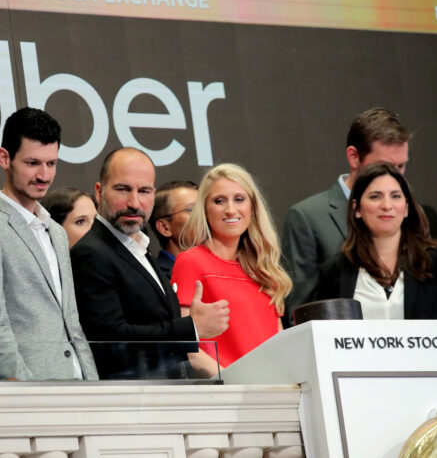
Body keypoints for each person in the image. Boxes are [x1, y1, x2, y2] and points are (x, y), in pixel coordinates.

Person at [0, 107, 97, 381]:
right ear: (4, 158)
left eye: (51, 163)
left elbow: (71, 322)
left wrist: (92, 382)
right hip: (31, 386)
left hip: (79, 384)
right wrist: (22, 388)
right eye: (32, 163)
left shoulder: (56, 232)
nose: (44, 175)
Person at [71, 147, 229, 379]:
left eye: (144, 191)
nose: (134, 203)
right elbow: (110, 340)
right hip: (129, 395)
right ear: (99, 192)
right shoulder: (91, 253)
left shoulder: (139, 249)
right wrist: (192, 328)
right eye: (123, 189)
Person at [281, 108, 410, 326]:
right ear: (353, 156)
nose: (394, 175)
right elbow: (302, 313)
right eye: (385, 165)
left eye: (401, 166)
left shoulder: (409, 214)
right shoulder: (307, 217)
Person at [172, 164, 291, 376]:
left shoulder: (264, 269)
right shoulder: (191, 262)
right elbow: (187, 345)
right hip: (225, 389)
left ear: (252, 207)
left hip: (272, 387)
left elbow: (279, 342)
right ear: (205, 209)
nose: (230, 210)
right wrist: (232, 382)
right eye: (219, 201)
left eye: (239, 199)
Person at [315, 163, 437, 319]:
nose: (386, 205)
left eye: (395, 196)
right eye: (375, 197)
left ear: (406, 207)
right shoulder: (335, 270)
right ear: (356, 208)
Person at [150, 180, 199, 281]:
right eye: (191, 210)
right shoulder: (158, 280)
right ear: (165, 227)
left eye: (203, 208)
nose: (204, 216)